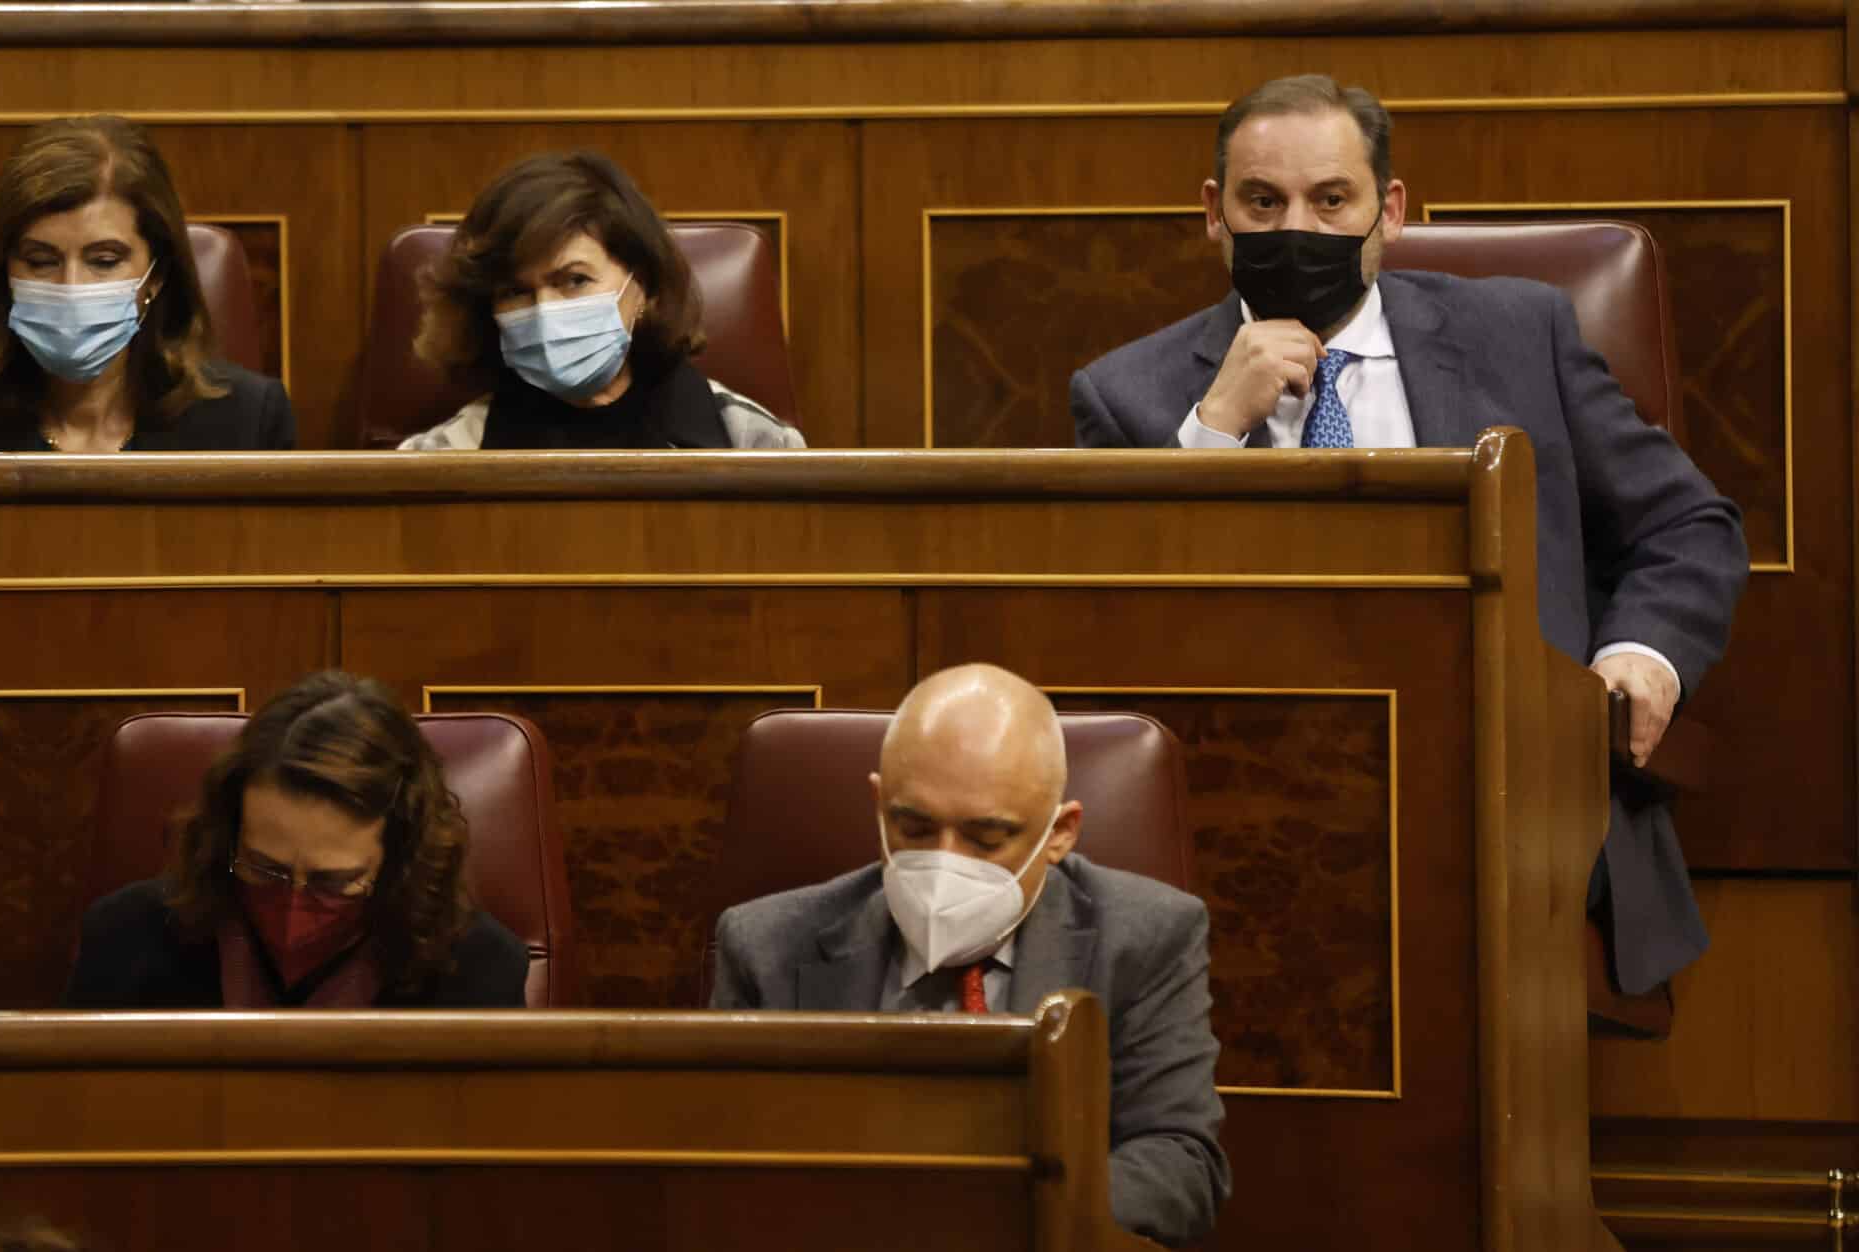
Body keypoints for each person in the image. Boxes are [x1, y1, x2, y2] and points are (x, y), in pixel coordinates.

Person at [1070, 74, 1749, 1001]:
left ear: (1388, 210)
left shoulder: (1521, 333)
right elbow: (1103, 623)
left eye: (1331, 200)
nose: (1294, 229)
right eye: (1262, 202)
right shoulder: (1127, 396)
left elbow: (1685, 523)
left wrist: (1636, 659)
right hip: (1242, 798)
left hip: (1505, 785)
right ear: (1213, 214)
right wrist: (1212, 433)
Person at [710, 663, 1228, 1247]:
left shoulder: (1148, 936)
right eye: (914, 828)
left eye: (985, 839)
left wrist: (973, 1216)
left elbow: (1179, 1163)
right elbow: (726, 1166)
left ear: (1060, 833)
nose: (944, 861)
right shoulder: (765, 945)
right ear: (879, 804)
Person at [64, 671, 528, 1008]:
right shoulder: (125, 939)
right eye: (265, 868)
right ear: (229, 836)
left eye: (334, 881)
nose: (293, 907)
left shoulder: (478, 969)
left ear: (400, 860)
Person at [0, 114, 293, 452]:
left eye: (104, 261)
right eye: (40, 261)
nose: (71, 286)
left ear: (157, 276)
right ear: (4, 270)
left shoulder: (248, 421)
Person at [400, 150, 804, 450]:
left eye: (574, 280)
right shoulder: (445, 456)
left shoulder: (752, 442)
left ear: (641, 283)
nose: (545, 312)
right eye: (515, 291)